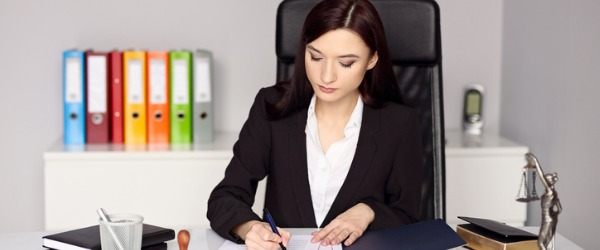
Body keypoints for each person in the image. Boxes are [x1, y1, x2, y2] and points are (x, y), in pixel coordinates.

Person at [207, 0, 424, 249]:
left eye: (346, 63)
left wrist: (369, 211)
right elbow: (225, 197)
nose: (326, 76)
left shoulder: (400, 123)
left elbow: (408, 216)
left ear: (372, 59)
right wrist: (249, 228)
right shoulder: (271, 107)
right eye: (316, 57)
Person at [538, 173, 562, 250]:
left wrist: (535, 161)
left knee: (540, 243)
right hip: (551, 219)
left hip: (547, 220)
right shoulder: (554, 193)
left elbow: (541, 175)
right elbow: (560, 209)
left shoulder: (550, 192)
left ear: (547, 182)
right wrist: (554, 215)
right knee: (547, 242)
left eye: (545, 180)